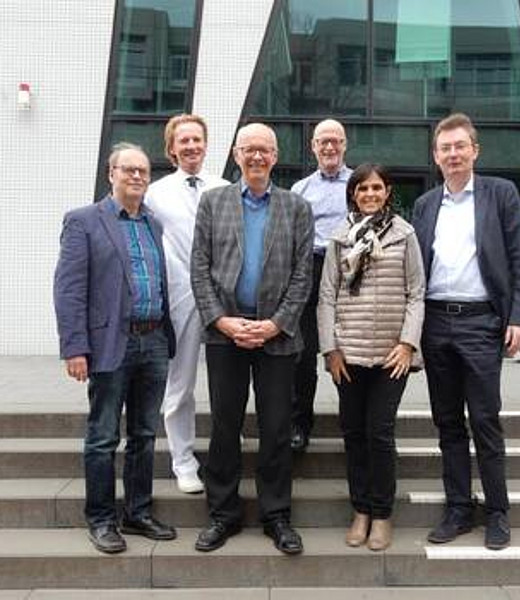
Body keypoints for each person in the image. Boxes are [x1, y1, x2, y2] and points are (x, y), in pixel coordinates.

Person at [412, 113, 520, 550]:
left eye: (460, 146)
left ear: (474, 151)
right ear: (435, 156)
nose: (453, 154)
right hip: (435, 322)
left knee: (484, 419)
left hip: (481, 322)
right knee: (447, 422)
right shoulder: (425, 204)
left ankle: (497, 512)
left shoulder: (500, 194)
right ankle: (459, 510)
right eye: (445, 148)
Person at [190, 122, 313, 555]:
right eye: (249, 149)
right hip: (226, 335)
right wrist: (221, 321)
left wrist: (277, 323)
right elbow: (199, 269)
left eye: (265, 149)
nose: (257, 156)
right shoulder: (213, 202)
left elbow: (303, 274)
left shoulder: (296, 207)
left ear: (275, 156)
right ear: (236, 155)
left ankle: (276, 515)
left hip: (276, 337)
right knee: (225, 426)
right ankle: (222, 514)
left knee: (276, 428)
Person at [53, 142, 178, 554]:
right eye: (129, 170)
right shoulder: (84, 221)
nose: (137, 176)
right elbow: (69, 290)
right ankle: (102, 519)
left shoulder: (153, 224)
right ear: (111, 174)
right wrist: (75, 348)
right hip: (111, 343)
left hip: (154, 340)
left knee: (144, 434)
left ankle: (138, 512)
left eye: (143, 170)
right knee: (103, 436)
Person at [318, 163, 425, 551]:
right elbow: (326, 295)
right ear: (353, 194)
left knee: (379, 433)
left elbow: (417, 293)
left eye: (376, 188)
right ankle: (360, 510)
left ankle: (381, 513)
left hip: (391, 356)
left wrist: (408, 344)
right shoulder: (340, 237)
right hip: (348, 354)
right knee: (353, 433)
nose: (370, 194)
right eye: (362, 188)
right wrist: (330, 350)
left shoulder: (404, 234)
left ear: (387, 192)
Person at [147, 114, 228, 494]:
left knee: (229, 381)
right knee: (179, 384)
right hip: (181, 295)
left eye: (197, 139)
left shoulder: (225, 187)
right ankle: (183, 461)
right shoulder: (155, 193)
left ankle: (227, 444)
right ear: (172, 149)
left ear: (206, 144)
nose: (192, 146)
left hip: (225, 298)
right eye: (184, 141)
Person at [289, 118, 352, 452]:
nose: (329, 146)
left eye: (335, 140)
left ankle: (353, 426)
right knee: (302, 353)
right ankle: (299, 425)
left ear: (345, 145)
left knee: (350, 350)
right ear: (313, 146)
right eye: (323, 141)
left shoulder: (360, 184)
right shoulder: (300, 190)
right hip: (310, 269)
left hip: (350, 270)